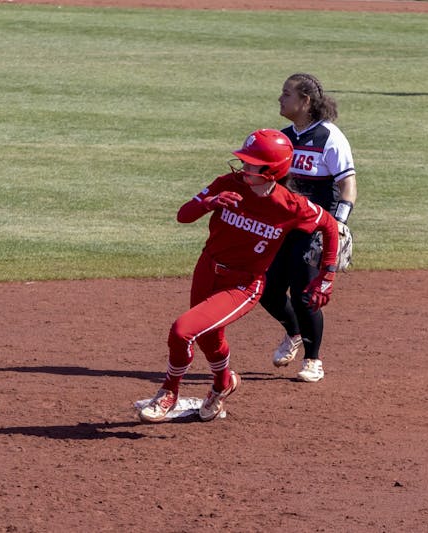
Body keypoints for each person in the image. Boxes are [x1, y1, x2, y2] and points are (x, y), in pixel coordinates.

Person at [138, 129, 340, 423]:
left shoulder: (290, 206)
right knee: (209, 337)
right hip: (207, 270)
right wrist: (209, 203)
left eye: (251, 163)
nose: (243, 167)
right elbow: (184, 215)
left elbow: (330, 225)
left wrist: (327, 275)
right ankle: (224, 383)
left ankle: (168, 391)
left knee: (182, 331)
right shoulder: (227, 184)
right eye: (243, 160)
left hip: (243, 285)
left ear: (271, 171)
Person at [259, 73, 357, 383]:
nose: (280, 98)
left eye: (286, 94)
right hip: (282, 228)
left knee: (304, 294)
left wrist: (338, 225)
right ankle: (294, 333)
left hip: (314, 230)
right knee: (267, 290)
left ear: (305, 101)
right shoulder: (282, 138)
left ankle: (313, 360)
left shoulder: (329, 137)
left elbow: (347, 185)